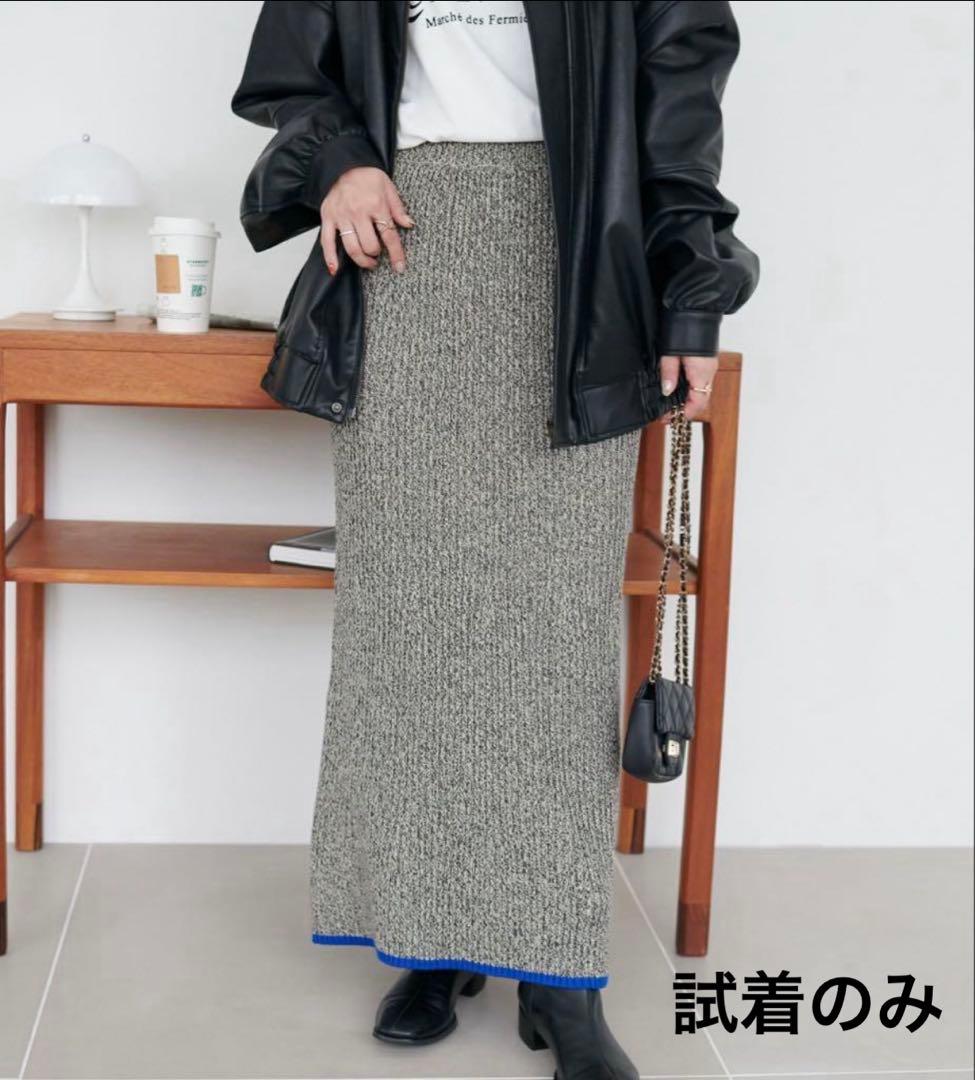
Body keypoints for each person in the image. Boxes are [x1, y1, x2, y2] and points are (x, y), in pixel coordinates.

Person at [231, 2, 758, 1076]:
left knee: (553, 639)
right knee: (410, 622)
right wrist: (339, 162)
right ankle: (430, 936)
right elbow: (292, 69)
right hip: (403, 247)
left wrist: (692, 297)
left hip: (584, 256)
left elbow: (679, 99)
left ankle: (559, 978)